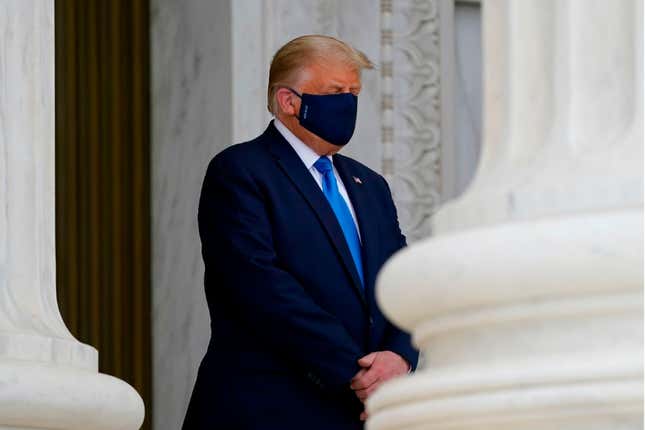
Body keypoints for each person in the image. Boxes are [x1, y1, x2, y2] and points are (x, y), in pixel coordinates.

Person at [182, 34, 418, 430]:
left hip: (361, 414)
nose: (348, 103)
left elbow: (403, 279)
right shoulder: (240, 172)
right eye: (335, 91)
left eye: (353, 92)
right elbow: (260, 287)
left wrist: (398, 358)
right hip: (267, 409)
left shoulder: (370, 185)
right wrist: (357, 372)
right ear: (288, 101)